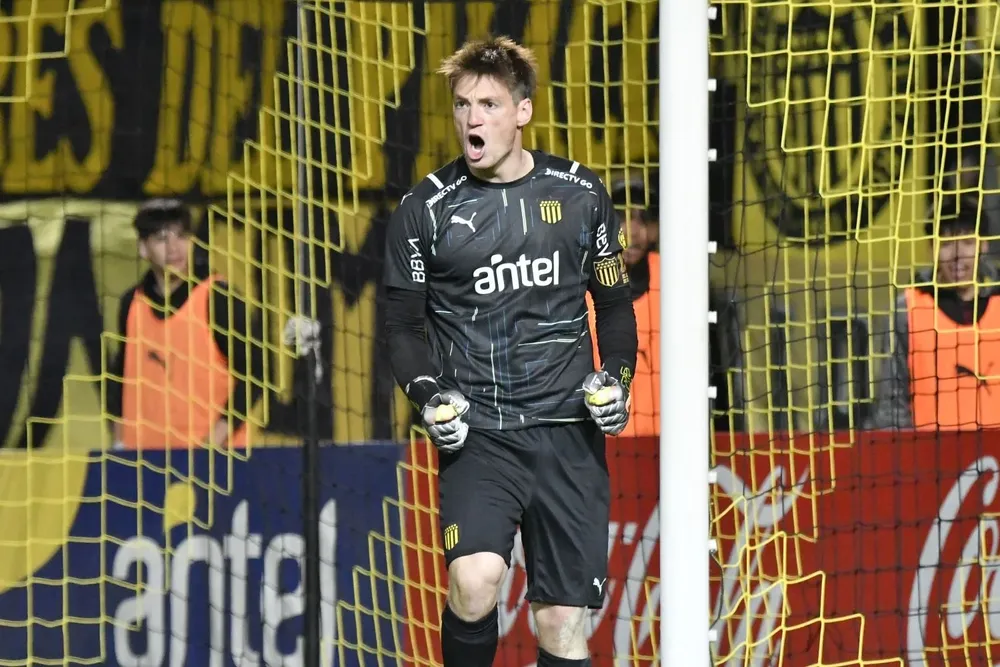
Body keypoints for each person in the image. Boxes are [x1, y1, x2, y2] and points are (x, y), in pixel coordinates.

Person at [382, 36, 638, 667]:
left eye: (489, 104)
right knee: (474, 584)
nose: (472, 118)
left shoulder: (580, 194)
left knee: (561, 625)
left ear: (522, 111)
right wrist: (428, 396)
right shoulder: (424, 210)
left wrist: (617, 381)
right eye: (462, 104)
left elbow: (613, 306)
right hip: (481, 436)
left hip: (566, 433)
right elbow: (401, 328)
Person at [105, 198, 265, 449]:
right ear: (143, 249)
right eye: (162, 239)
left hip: (210, 459)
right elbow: (118, 377)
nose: (174, 248)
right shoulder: (132, 303)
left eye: (181, 236)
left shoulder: (218, 297)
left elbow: (256, 374)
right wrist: (119, 439)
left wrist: (216, 437)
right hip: (145, 458)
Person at [868, 196, 1000, 430]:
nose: (957, 255)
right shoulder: (907, 310)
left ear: (984, 245)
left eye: (967, 242)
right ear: (932, 247)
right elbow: (892, 408)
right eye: (946, 244)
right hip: (930, 451)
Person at [586, 175, 660, 437]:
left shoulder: (673, 280)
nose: (633, 230)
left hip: (665, 443)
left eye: (643, 218)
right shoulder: (581, 284)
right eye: (622, 217)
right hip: (602, 439)